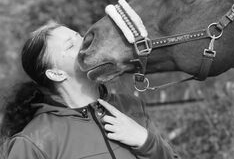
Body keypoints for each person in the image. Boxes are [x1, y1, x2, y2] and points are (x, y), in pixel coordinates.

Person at [0, 22, 179, 159]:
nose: (84, 41)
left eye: (79, 36)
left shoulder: (132, 107)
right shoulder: (34, 141)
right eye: (70, 45)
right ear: (56, 73)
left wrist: (146, 141)